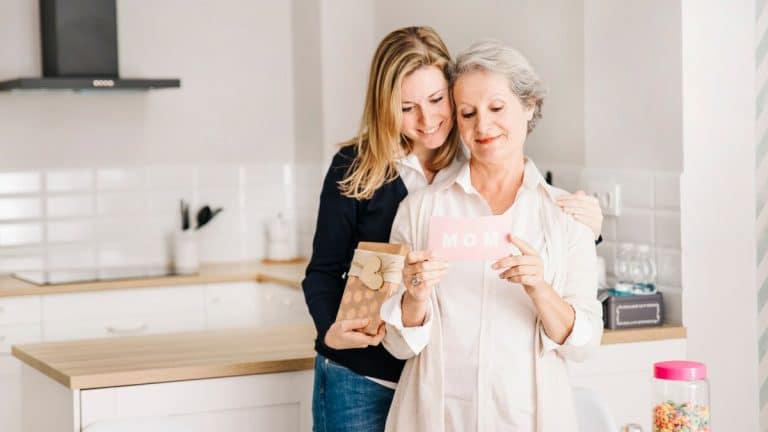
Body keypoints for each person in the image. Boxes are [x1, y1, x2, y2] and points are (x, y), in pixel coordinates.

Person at [302, 27, 603, 432]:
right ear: (386, 106)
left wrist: (588, 228)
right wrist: (331, 334)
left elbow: (543, 225)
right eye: (407, 107)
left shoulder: (477, 147)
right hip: (364, 371)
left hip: (442, 385)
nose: (427, 120)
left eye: (436, 100)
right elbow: (323, 271)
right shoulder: (362, 168)